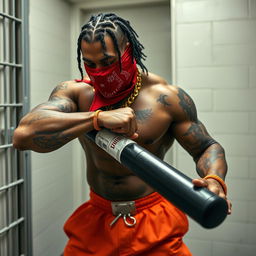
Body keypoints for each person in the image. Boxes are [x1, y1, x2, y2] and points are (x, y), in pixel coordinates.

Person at [13, 12, 231, 256]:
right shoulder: (77, 93)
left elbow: (206, 146)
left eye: (107, 62)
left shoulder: (166, 98)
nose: (98, 72)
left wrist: (214, 178)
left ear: (129, 51)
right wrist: (96, 118)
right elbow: (24, 135)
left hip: (154, 218)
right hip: (97, 219)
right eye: (90, 64)